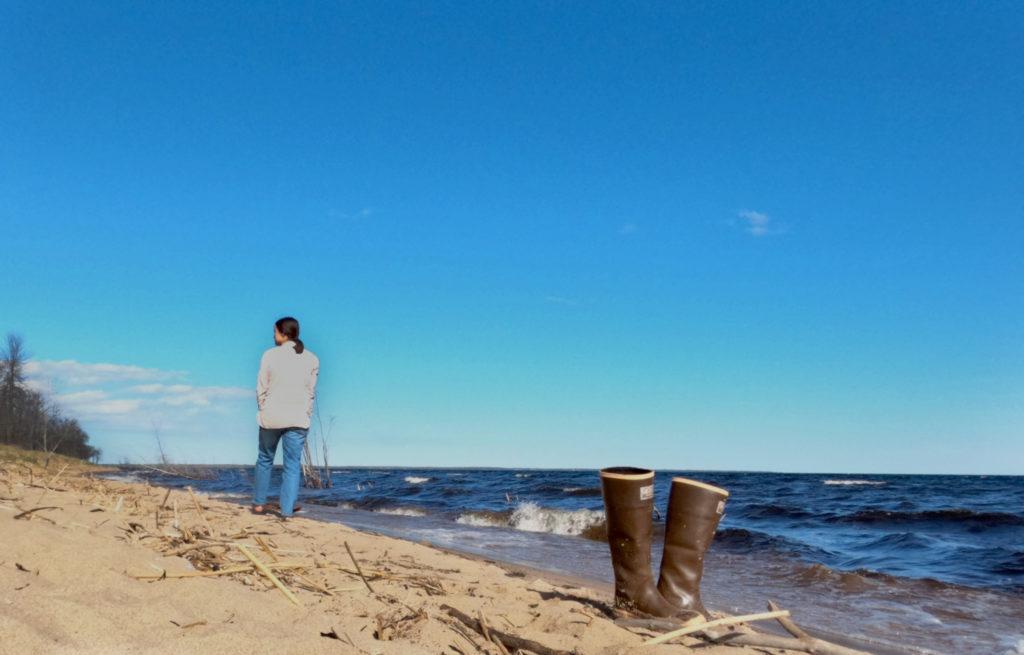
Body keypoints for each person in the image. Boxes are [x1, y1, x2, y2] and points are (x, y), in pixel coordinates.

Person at [252, 316, 320, 518]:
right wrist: (306, 412)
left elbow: (261, 386)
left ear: (284, 333)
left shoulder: (269, 355)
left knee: (265, 459)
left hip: (272, 415)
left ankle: (258, 504)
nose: (273, 336)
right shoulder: (312, 358)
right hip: (298, 418)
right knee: (291, 466)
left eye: (274, 332)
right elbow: (311, 391)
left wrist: (263, 408)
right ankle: (287, 511)